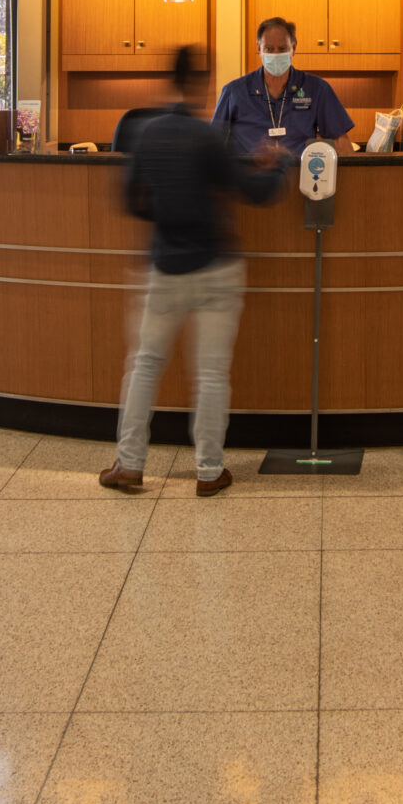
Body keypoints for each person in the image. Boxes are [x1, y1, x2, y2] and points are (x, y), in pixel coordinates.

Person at [103, 46, 287, 496]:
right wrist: (275, 165)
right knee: (210, 373)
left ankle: (129, 464)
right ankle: (208, 471)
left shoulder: (147, 134)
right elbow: (254, 193)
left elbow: (129, 201)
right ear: (202, 85)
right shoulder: (207, 139)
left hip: (164, 266)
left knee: (145, 365)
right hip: (215, 268)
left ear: (171, 80)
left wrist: (165, 219)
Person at [211, 16, 355, 160]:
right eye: (269, 49)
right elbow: (212, 145)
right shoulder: (234, 92)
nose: (275, 54)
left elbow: (342, 144)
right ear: (259, 49)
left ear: (294, 48)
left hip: (298, 172)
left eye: (282, 49)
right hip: (248, 172)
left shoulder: (317, 89)